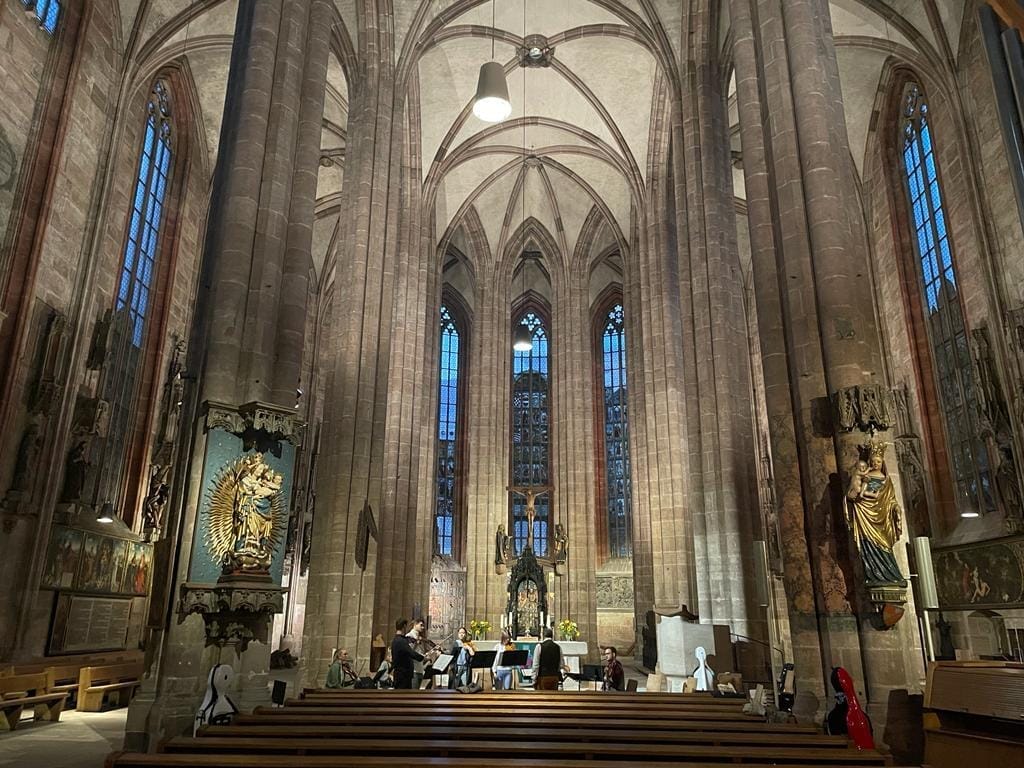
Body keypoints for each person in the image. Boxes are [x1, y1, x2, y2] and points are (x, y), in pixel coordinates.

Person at [391, 618, 424, 690]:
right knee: (404, 695)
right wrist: (423, 657)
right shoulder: (401, 641)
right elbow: (411, 653)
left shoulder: (396, 640)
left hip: (401, 674)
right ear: (404, 626)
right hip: (403, 676)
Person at [406, 617, 430, 689]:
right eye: (421, 625)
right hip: (413, 669)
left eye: (423, 626)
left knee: (418, 692)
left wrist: (426, 655)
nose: (423, 627)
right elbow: (409, 651)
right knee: (414, 692)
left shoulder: (420, 637)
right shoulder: (409, 636)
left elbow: (420, 652)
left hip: (420, 669)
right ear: (415, 624)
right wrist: (416, 642)